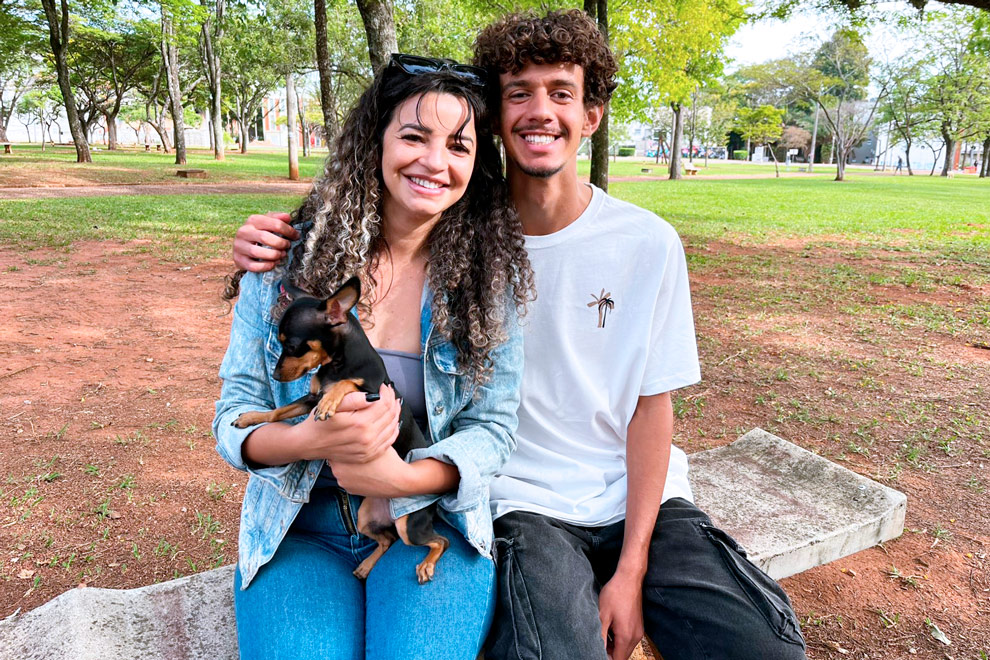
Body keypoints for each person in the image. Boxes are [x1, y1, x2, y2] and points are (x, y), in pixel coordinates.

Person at [233, 11, 807, 660]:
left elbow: (651, 405)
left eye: (561, 92)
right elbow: (256, 380)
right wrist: (287, 238)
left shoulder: (638, 244)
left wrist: (633, 567)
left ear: (591, 115)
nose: (540, 111)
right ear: (497, 120)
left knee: (768, 650)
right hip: (516, 505)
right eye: (518, 93)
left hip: (615, 502)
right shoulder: (463, 238)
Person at [214, 54, 533, 660]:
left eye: (458, 146)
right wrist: (309, 441)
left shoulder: (488, 282)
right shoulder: (285, 261)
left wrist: (403, 478)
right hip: (297, 527)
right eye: (414, 136)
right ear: (375, 143)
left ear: (476, 164)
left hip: (429, 516)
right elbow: (235, 411)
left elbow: (492, 429)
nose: (435, 162)